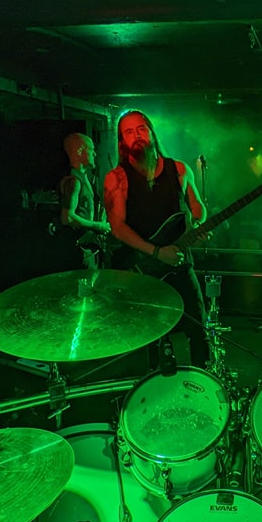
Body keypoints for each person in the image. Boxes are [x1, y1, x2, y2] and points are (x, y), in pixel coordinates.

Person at [103, 110, 210, 369]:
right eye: (129, 132)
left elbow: (198, 207)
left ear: (151, 131)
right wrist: (156, 252)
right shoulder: (117, 178)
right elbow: (118, 228)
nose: (137, 135)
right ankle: (154, 383)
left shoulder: (180, 170)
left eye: (141, 129)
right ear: (122, 141)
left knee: (199, 328)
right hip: (142, 270)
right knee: (150, 335)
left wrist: (197, 226)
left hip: (180, 263)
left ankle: (205, 382)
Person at [60, 132, 111, 269]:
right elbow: (67, 218)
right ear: (79, 151)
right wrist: (97, 226)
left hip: (88, 248)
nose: (95, 154)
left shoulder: (84, 179)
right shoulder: (74, 182)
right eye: (91, 149)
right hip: (80, 250)